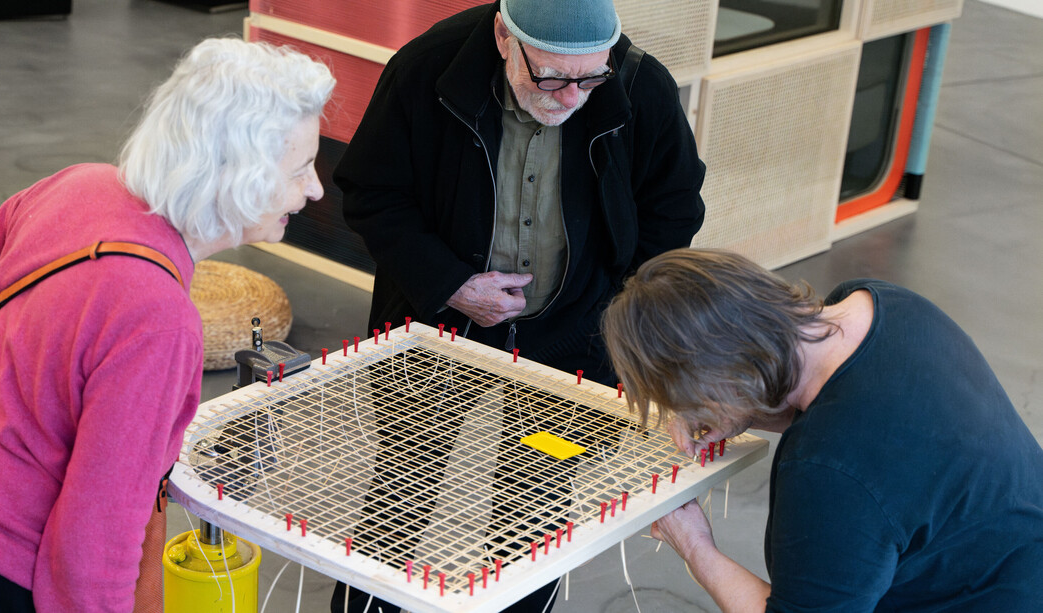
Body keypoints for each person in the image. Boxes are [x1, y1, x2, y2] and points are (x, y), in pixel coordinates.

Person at [0, 38, 335, 612]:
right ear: (237, 176)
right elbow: (94, 545)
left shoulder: (78, 185)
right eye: (302, 167)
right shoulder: (158, 324)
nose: (315, 189)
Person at [601, 248, 1043, 612]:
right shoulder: (879, 303)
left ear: (720, 381)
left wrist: (695, 547)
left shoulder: (830, 471)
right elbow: (851, 414)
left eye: (687, 401)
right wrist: (730, 407)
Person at [335, 0, 705, 385]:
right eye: (551, 78)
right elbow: (372, 192)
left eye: (592, 79)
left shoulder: (638, 82)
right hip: (438, 315)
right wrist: (448, 284)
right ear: (503, 36)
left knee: (561, 449)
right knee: (411, 444)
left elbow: (674, 209)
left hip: (584, 330)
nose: (571, 99)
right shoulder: (426, 69)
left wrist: (620, 307)